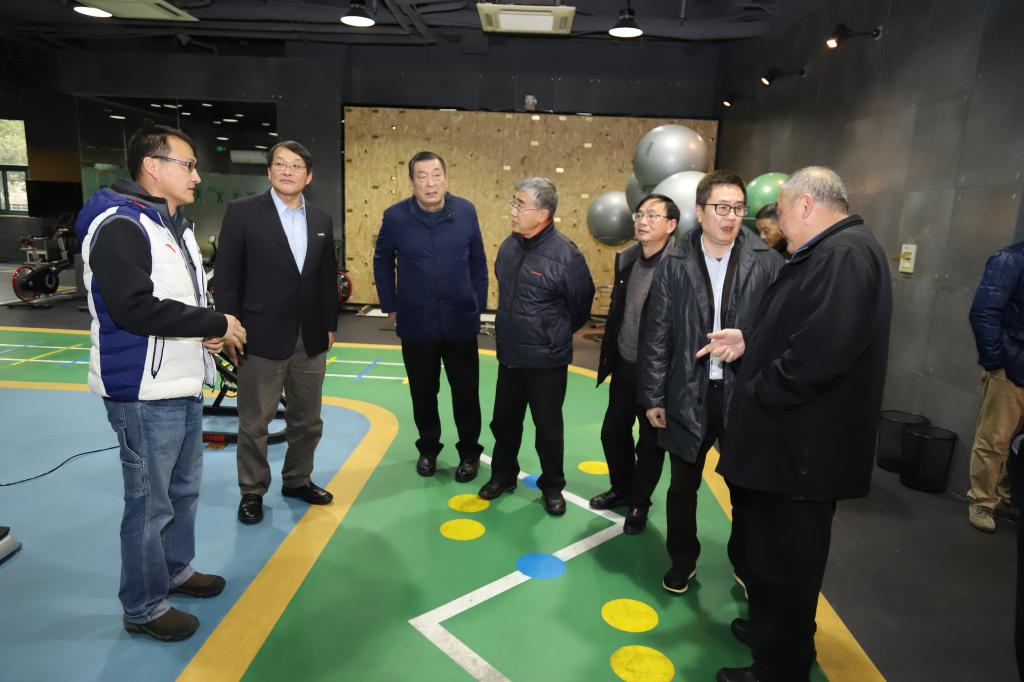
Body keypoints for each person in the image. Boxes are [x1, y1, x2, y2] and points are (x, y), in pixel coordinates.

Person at [702, 167, 892, 682]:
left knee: (787, 566)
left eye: (782, 212)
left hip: (801, 450)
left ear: (806, 205)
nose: (778, 224)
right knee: (774, 559)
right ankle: (776, 638)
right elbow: (801, 330)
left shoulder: (843, 256)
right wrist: (749, 344)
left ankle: (779, 668)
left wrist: (761, 388)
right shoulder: (832, 252)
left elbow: (822, 353)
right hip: (795, 445)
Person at [76, 124, 246, 642]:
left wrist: (205, 330)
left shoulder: (175, 226)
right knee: (150, 503)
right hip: (143, 393)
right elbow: (133, 308)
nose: (197, 176)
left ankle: (175, 570)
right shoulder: (121, 226)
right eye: (187, 165)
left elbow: (182, 299)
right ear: (153, 166)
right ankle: (144, 606)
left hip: (181, 382)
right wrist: (215, 323)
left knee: (183, 491)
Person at [639, 171, 782, 594]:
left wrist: (750, 344)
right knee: (683, 487)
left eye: (738, 208)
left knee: (746, 490)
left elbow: (779, 330)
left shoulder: (768, 262)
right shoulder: (674, 263)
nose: (730, 216)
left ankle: (745, 563)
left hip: (744, 393)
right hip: (687, 390)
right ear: (699, 212)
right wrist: (653, 395)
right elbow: (657, 332)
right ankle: (682, 560)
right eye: (721, 207)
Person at [216, 140, 339, 525]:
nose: (288, 171)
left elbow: (326, 277)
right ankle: (252, 491)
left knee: (308, 420)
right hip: (258, 334)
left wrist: (329, 324)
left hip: (310, 337)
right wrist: (228, 325)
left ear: (309, 176)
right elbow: (227, 278)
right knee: (255, 421)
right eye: (281, 164)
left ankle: (298, 479)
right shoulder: (242, 213)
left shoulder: (321, 219)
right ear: (269, 171)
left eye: (296, 165)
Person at [478, 176, 595, 515]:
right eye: (513, 203)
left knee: (548, 430)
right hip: (510, 356)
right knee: (504, 424)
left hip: (546, 361)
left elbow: (581, 306)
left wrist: (550, 334)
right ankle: (503, 476)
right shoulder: (509, 247)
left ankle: (552, 487)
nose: (513, 211)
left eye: (520, 205)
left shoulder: (567, 256)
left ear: (543, 214)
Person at [373, 151, 488, 482]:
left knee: (466, 393)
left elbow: (478, 262)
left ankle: (469, 452)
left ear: (446, 178)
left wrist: (477, 304)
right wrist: (391, 304)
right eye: (422, 176)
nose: (430, 183)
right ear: (412, 182)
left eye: (436, 174)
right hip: (416, 323)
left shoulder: (466, 211)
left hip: (460, 321)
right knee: (423, 393)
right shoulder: (395, 217)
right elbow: (382, 262)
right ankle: (428, 448)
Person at [591, 193, 679, 534]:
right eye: (640, 214)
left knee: (650, 444)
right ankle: (622, 489)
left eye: (653, 216)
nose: (643, 221)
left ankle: (640, 503)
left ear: (671, 225)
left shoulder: (679, 266)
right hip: (625, 365)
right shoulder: (627, 258)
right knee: (612, 433)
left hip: (658, 373)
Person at [966, 242, 1024, 532]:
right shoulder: (1010, 259)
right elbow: (983, 312)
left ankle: (1008, 498)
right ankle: (982, 500)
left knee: (1018, 443)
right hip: (1011, 367)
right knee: (995, 438)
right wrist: (996, 363)